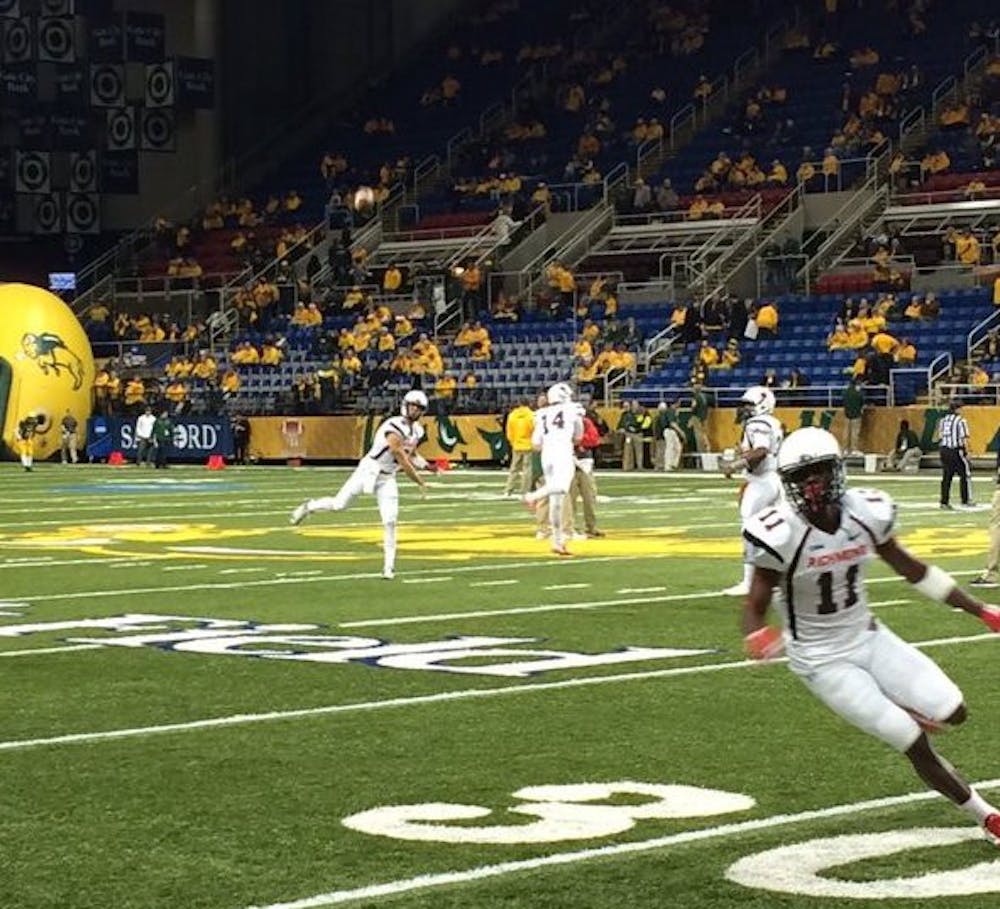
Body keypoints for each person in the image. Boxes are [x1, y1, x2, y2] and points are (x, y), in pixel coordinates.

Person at [742, 427, 1000, 844]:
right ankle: (986, 817)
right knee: (911, 740)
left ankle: (904, 702)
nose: (811, 485)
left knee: (954, 711)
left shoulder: (866, 510)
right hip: (822, 660)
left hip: (869, 637)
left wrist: (981, 610)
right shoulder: (780, 532)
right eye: (800, 478)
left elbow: (911, 569)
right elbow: (755, 602)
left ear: (837, 471)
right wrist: (757, 634)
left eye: (819, 472)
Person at [289, 389, 432, 579]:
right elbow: (400, 456)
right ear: (405, 405)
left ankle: (389, 567)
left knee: (390, 521)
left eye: (419, 408)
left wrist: (428, 466)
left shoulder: (418, 430)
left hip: (387, 477)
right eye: (413, 406)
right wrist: (419, 481)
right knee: (339, 505)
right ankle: (310, 506)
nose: (415, 411)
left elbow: (411, 454)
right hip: (369, 471)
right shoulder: (393, 425)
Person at [721, 386, 783, 596]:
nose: (744, 409)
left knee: (750, 529)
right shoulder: (772, 422)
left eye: (748, 405)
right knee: (777, 530)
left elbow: (761, 451)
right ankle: (780, 578)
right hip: (776, 478)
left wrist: (735, 465)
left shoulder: (758, 422)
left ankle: (750, 581)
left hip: (762, 481)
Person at [523, 382, 584, 557]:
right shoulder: (573, 410)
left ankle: (557, 541)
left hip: (546, 455)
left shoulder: (542, 414)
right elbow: (578, 437)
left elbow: (535, 443)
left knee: (556, 502)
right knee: (562, 487)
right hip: (563, 452)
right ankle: (532, 496)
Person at [938, 399, 973, 509]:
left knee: (947, 476)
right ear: (957, 409)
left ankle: (944, 501)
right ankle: (965, 499)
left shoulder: (943, 420)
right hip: (956, 450)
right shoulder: (961, 421)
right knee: (965, 475)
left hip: (944, 449)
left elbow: (939, 436)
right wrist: (967, 452)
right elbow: (964, 438)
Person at [503, 397, 534, 496]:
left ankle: (508, 490)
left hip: (516, 445)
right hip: (528, 445)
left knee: (514, 469)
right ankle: (525, 490)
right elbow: (533, 429)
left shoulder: (512, 415)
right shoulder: (531, 415)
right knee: (527, 469)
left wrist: (513, 442)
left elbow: (509, 432)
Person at [843, 377, 865, 456]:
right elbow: (862, 402)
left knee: (846, 433)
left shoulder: (845, 392)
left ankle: (845, 449)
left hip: (847, 414)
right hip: (856, 415)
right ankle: (854, 450)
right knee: (855, 433)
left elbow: (844, 402)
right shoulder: (858, 393)